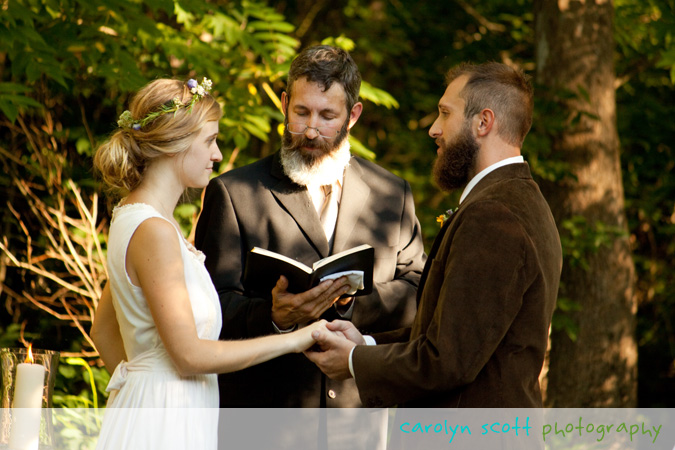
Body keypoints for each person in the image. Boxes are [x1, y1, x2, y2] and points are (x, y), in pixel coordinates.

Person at [306, 61, 563, 410]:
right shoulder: (521, 200)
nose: (433, 129)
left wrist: (353, 362)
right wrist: (365, 344)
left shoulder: (493, 215)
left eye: (445, 113)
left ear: (483, 122)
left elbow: (448, 361)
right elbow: (448, 335)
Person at [90, 77, 329, 450]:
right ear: (176, 144)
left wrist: (141, 390)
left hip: (162, 412)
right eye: (209, 141)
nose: (217, 154)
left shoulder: (136, 218)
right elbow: (189, 355)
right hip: (165, 424)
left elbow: (103, 331)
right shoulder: (153, 230)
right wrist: (297, 340)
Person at [194, 44, 425, 410]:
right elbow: (208, 309)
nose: (312, 131)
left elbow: (417, 293)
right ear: (284, 104)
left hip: (358, 417)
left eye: (327, 116)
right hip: (264, 412)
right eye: (301, 112)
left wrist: (351, 304)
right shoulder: (234, 192)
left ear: (353, 116)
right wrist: (273, 316)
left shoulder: (391, 194)